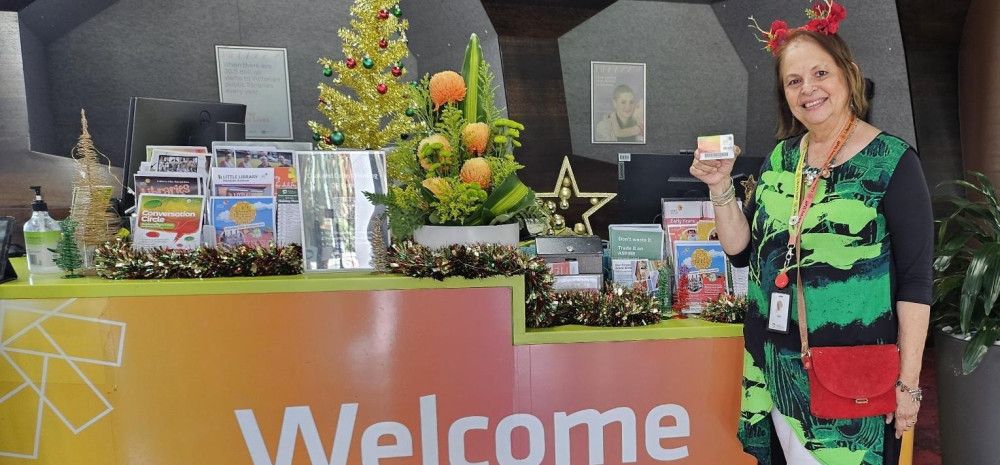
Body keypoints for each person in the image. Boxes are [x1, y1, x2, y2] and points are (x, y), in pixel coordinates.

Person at [690, 4, 932, 465]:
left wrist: (909, 385)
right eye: (794, 81)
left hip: (850, 377)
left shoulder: (892, 162)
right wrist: (719, 186)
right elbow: (742, 251)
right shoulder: (781, 159)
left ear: (848, 75)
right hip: (774, 364)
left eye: (820, 73)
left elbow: (917, 284)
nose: (809, 89)